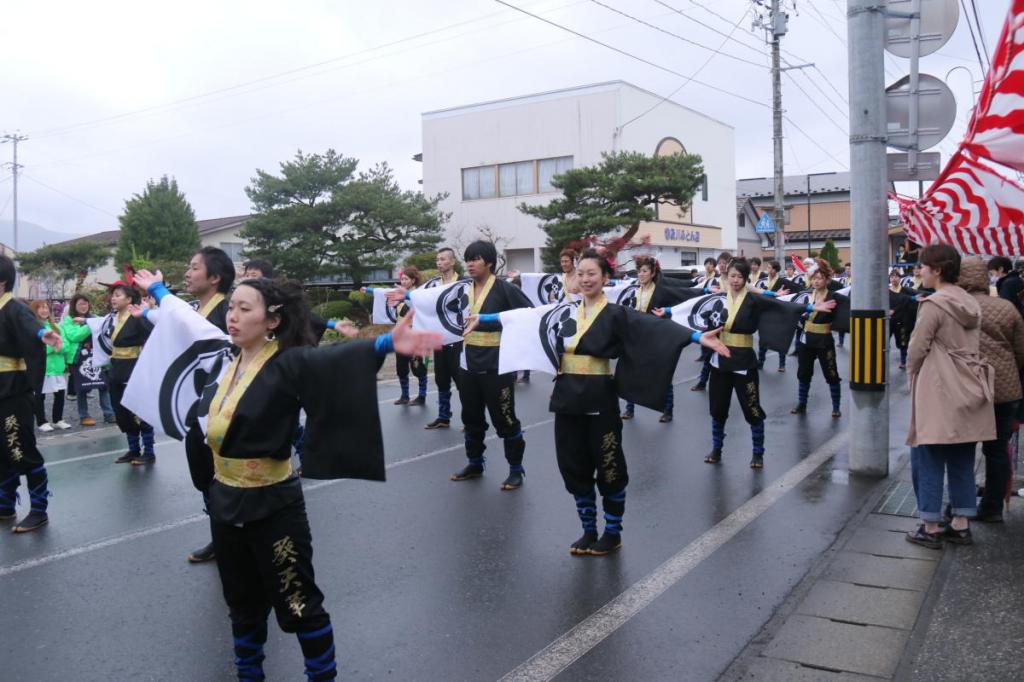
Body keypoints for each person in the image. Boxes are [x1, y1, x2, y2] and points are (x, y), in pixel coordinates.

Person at [137, 270, 440, 680]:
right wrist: (156, 290)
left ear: (272, 320)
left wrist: (387, 343)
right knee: (241, 605)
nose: (233, 316)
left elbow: (329, 359)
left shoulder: (287, 363)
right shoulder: (224, 358)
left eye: (245, 309)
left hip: (273, 505)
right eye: (231, 307)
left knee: (298, 604)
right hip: (224, 503)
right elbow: (184, 318)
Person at [469, 250, 731, 555]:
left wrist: (699, 337)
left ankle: (612, 531)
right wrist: (483, 318)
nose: (585, 279)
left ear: (605, 278)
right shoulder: (565, 311)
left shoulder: (616, 314)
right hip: (566, 397)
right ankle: (588, 529)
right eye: (580, 274)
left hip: (599, 397)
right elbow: (522, 319)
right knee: (573, 463)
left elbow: (655, 328)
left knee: (608, 464)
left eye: (592, 273)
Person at [702, 258, 834, 468]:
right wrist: (670, 312)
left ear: (746, 279)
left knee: (752, 408)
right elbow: (691, 302)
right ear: (727, 277)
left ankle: (758, 453)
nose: (735, 280)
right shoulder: (719, 298)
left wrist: (811, 306)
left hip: (744, 362)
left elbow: (781, 307)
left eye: (740, 277)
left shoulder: (753, 300)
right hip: (720, 361)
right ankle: (717, 449)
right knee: (718, 409)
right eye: (732, 276)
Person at [906, 244, 995, 549]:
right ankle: (960, 523)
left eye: (923, 267)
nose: (920, 271)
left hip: (939, 387)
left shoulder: (934, 305)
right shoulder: (970, 302)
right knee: (962, 456)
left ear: (938, 270)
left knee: (928, 454)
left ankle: (930, 526)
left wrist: (912, 374)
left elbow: (917, 349)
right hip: (970, 384)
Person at [449, 240, 532, 490]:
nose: (470, 264)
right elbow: (436, 305)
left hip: (498, 366)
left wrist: (492, 321)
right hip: (468, 365)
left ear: (490, 263)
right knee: (471, 418)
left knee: (505, 419)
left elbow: (528, 314)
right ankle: (475, 463)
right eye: (468, 260)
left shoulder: (505, 289)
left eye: (475, 259)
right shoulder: (463, 289)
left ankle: (516, 470)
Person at [958, 256, 1024, 523]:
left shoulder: (957, 307)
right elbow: (1021, 350)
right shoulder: (1007, 307)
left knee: (962, 449)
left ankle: (960, 508)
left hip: (969, 387)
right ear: (986, 278)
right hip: (1005, 389)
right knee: (997, 450)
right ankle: (992, 507)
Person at [0, 256, 63, 532]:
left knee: (20, 448)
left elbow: (32, 328)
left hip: (13, 391)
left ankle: (39, 510)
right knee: (1, 451)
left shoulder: (14, 308)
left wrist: (43, 335)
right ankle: (4, 504)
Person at [621, 256, 689, 421]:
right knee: (631, 373)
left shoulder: (661, 291)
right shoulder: (634, 291)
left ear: (652, 273)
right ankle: (629, 408)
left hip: (655, 339)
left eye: (644, 271)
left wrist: (707, 291)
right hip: (637, 339)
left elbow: (682, 297)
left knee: (662, 375)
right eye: (639, 271)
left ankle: (668, 410)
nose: (641, 274)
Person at [106, 282, 157, 465]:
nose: (113, 298)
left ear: (129, 299)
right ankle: (133, 449)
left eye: (118, 295)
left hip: (133, 367)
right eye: (113, 295)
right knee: (122, 410)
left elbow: (152, 336)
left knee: (139, 409)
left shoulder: (136, 317)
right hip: (117, 366)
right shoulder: (113, 318)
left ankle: (149, 451)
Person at [790, 259, 847, 419]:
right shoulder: (806, 295)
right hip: (806, 339)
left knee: (831, 373)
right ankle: (802, 404)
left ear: (827, 279)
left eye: (820, 278)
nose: (816, 281)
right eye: (814, 278)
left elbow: (850, 307)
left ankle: (836, 407)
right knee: (803, 373)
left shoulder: (834, 296)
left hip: (824, 340)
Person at [422, 247, 465, 430]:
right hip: (439, 339)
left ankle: (469, 419)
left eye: (443, 259)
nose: (439, 262)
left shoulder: (463, 283)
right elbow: (418, 300)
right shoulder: (432, 285)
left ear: (452, 261)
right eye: (437, 259)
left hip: (457, 338)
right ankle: (443, 416)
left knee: (462, 380)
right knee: (442, 378)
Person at [61, 294, 115, 426]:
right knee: (82, 387)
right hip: (79, 357)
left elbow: (105, 328)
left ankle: (109, 414)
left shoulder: (95, 318)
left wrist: (90, 322)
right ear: (74, 305)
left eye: (85, 304)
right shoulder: (69, 319)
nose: (84, 306)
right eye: (80, 304)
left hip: (97, 355)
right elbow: (74, 336)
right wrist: (91, 325)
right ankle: (84, 415)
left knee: (104, 385)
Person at [29, 300, 71, 431]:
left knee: (59, 394)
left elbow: (66, 345)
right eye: (40, 308)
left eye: (46, 307)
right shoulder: (33, 328)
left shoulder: (56, 327)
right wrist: (54, 346)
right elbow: (34, 349)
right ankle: (41, 422)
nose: (44, 310)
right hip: (42, 369)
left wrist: (56, 346)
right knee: (40, 396)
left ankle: (57, 419)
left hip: (57, 368)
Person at [392, 267, 429, 406]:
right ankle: (405, 395)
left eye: (406, 279)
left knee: (419, 366)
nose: (403, 281)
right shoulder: (400, 296)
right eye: (402, 279)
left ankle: (422, 396)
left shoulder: (418, 295)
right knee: (401, 367)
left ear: (413, 280)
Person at [757, 259, 792, 372]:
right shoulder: (763, 281)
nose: (768, 269)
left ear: (775, 270)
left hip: (778, 314)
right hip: (765, 314)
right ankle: (760, 362)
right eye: (767, 267)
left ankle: (782, 364)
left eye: (770, 267)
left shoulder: (783, 282)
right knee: (763, 340)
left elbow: (787, 297)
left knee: (780, 340)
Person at [888, 269, 918, 369]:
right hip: (889, 321)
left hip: (902, 320)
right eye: (892, 277)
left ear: (900, 278)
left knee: (903, 341)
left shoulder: (906, 290)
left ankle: (903, 361)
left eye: (896, 276)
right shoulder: (886, 292)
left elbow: (915, 297)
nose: (894, 279)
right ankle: (882, 361)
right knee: (884, 341)